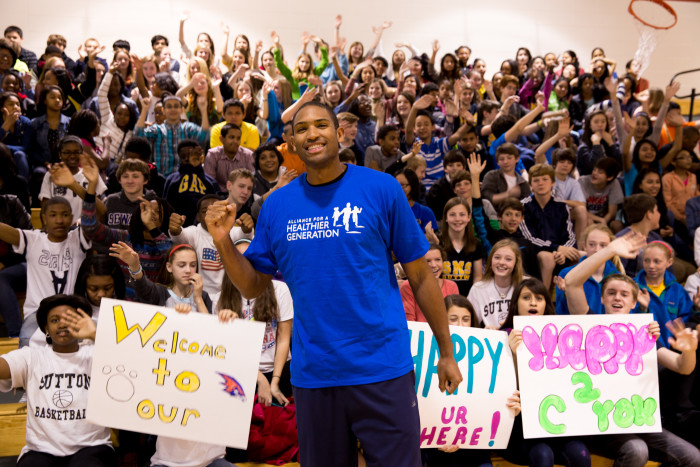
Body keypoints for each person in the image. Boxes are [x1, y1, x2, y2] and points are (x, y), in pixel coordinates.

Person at [205, 101, 461, 466]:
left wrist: (446, 352)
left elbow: (420, 276)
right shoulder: (276, 206)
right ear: (291, 143)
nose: (312, 134)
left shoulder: (381, 188)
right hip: (316, 374)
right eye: (301, 129)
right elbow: (251, 286)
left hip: (382, 367)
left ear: (338, 132)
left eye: (321, 125)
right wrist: (223, 241)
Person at [564, 232, 700, 467]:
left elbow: (682, 368)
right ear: (603, 299)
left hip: (636, 419)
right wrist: (609, 251)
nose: (618, 297)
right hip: (597, 420)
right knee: (637, 450)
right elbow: (572, 282)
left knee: (693, 457)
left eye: (624, 294)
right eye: (611, 293)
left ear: (634, 302)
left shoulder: (642, 334)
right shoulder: (588, 324)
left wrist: (689, 351)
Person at [0, 294, 117, 467]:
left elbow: (130, 363)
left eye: (69, 319)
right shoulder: (32, 355)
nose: (62, 324)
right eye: (54, 320)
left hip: (92, 447)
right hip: (41, 450)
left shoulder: (96, 353)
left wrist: (95, 335)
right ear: (46, 328)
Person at [500, 278, 592, 467]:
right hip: (520, 428)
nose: (533, 302)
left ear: (546, 305)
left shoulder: (562, 336)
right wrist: (515, 355)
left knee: (580, 454)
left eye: (539, 298)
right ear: (516, 303)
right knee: (542, 455)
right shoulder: (502, 337)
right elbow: (502, 388)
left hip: (557, 425)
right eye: (526, 297)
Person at [169, 194, 253, 297]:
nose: (211, 214)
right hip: (200, 296)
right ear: (198, 217)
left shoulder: (231, 232)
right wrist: (175, 229)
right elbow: (179, 236)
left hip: (228, 297)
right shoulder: (194, 233)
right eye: (205, 211)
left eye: (216, 210)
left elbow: (245, 235)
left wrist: (247, 228)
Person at [520, 163, 579, 289]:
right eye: (536, 180)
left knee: (583, 255)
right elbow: (529, 239)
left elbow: (570, 237)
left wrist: (563, 252)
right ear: (531, 185)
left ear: (552, 183)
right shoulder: (524, 206)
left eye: (545, 179)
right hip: (535, 254)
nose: (540, 183)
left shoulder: (561, 206)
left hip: (560, 254)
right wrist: (556, 248)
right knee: (547, 257)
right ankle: (544, 300)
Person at [134, 94, 209, 177]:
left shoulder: (188, 128)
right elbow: (138, 136)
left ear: (182, 110)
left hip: (184, 179)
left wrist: (204, 110)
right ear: (163, 110)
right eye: (169, 106)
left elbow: (204, 136)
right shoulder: (157, 130)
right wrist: (144, 110)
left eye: (176, 106)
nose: (173, 109)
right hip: (161, 180)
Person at [554, 224, 620, 315]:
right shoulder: (567, 274)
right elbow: (560, 314)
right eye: (592, 244)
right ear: (584, 246)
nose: (597, 250)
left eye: (603, 245)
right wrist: (568, 294)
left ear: (610, 248)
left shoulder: (619, 278)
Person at [468, 239, 524, 329]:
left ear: (516, 263)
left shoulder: (525, 285)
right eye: (497, 257)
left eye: (508, 259)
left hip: (519, 339)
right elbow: (470, 324)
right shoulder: (478, 289)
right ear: (490, 260)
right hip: (490, 340)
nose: (501, 262)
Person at [401, 243, 458, 322]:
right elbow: (409, 321)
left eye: (438, 259)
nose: (434, 265)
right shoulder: (408, 286)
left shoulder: (452, 286)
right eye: (427, 261)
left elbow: (455, 319)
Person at [73, 254, 126, 321]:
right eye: (93, 289)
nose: (101, 294)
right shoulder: (73, 313)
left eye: (107, 288)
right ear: (84, 286)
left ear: (116, 285)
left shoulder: (126, 312)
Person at [204, 123, 255, 192]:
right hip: (218, 195)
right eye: (231, 137)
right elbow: (209, 182)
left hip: (243, 195)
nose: (235, 142)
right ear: (221, 139)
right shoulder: (213, 155)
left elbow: (252, 181)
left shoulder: (248, 155)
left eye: (238, 138)